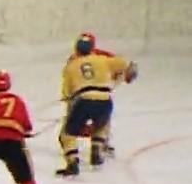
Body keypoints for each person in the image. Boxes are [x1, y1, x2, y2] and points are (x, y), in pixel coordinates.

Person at [56, 36, 137, 176]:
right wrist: (129, 75)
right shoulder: (103, 60)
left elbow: (67, 94)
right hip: (104, 101)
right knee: (102, 125)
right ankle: (97, 148)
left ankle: (72, 161)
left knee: (67, 134)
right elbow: (128, 66)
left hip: (83, 101)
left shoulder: (70, 66)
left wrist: (70, 103)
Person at [64, 32, 118, 156]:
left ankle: (71, 149)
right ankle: (100, 142)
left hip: (81, 96)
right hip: (102, 95)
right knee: (103, 120)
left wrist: (67, 97)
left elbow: (69, 81)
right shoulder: (104, 57)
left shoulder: (73, 60)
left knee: (70, 124)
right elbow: (121, 69)